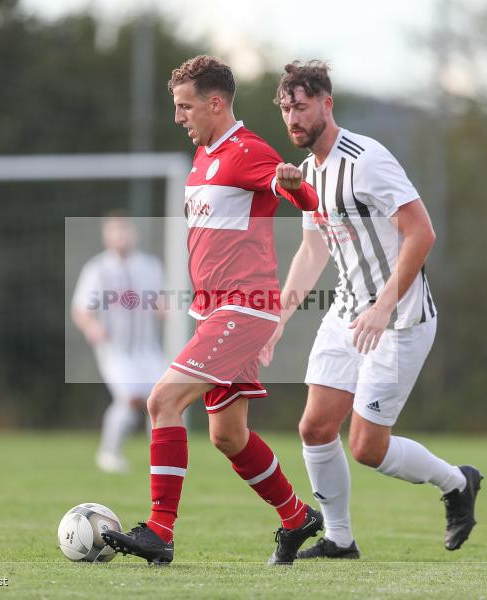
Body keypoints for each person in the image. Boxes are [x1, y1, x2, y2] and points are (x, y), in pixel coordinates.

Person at [102, 55, 323, 566]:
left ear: (216, 104)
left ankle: (160, 531)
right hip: (213, 311)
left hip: (243, 309)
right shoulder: (202, 157)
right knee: (228, 436)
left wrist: (295, 185)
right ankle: (297, 518)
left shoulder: (248, 152)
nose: (178, 117)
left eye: (185, 107)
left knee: (162, 400)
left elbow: (304, 197)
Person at [260, 61, 483, 559]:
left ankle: (457, 482)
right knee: (315, 428)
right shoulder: (308, 173)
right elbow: (313, 251)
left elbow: (421, 232)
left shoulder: (366, 160)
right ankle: (339, 540)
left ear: (327, 104)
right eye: (286, 110)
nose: (293, 119)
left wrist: (384, 307)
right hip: (347, 313)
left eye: (302, 107)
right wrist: (279, 317)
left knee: (367, 448)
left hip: (399, 320)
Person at [70, 213, 165, 474]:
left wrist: (164, 309)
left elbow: (162, 302)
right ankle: (109, 453)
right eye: (115, 231)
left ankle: (162, 457)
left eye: (125, 230)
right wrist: (91, 326)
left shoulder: (150, 266)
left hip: (148, 348)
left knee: (161, 401)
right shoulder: (97, 269)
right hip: (116, 349)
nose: (122, 236)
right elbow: (80, 309)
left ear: (134, 233)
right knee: (129, 398)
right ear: (106, 236)